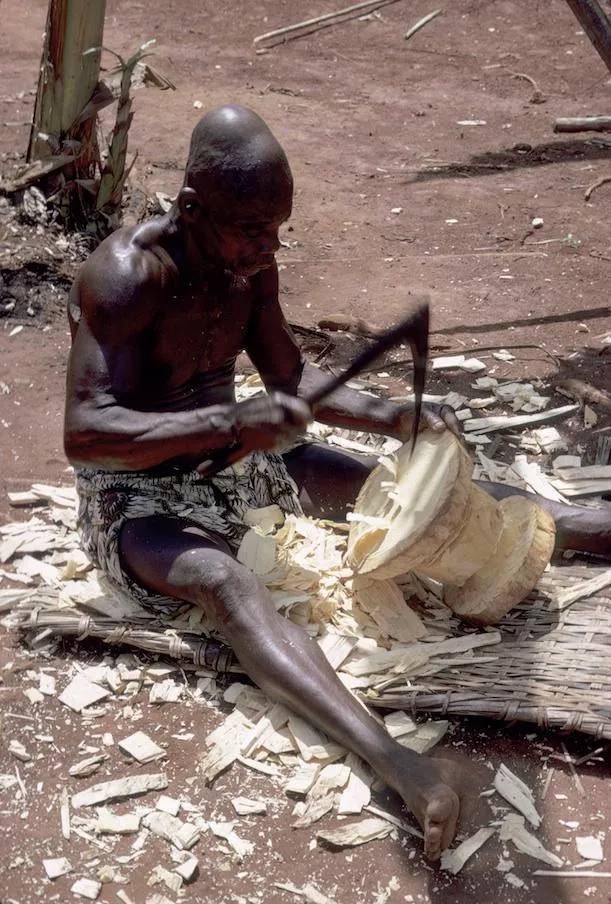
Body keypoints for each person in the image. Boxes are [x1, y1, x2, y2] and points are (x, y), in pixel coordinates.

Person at [64, 104, 610, 860]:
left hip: (243, 464)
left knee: (408, 501)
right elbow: (86, 434)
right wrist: (227, 426)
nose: (268, 246)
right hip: (139, 497)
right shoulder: (125, 277)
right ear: (191, 208)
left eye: (277, 229)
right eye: (252, 228)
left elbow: (290, 376)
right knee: (226, 584)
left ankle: (590, 524)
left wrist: (394, 418)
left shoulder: (247, 263)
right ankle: (400, 766)